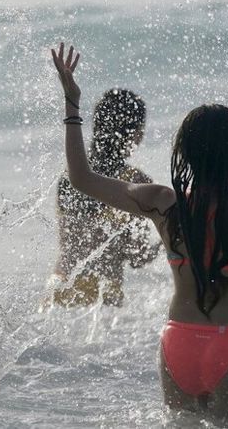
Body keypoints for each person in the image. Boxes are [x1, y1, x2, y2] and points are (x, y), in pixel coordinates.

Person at [50, 43, 228, 419]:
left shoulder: (163, 205)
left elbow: (82, 178)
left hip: (179, 342)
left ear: (182, 152)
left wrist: (72, 104)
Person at [51, 88, 159, 307]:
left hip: (58, 285)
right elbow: (138, 255)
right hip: (99, 291)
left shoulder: (69, 176)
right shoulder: (134, 180)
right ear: (136, 133)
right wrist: (168, 243)